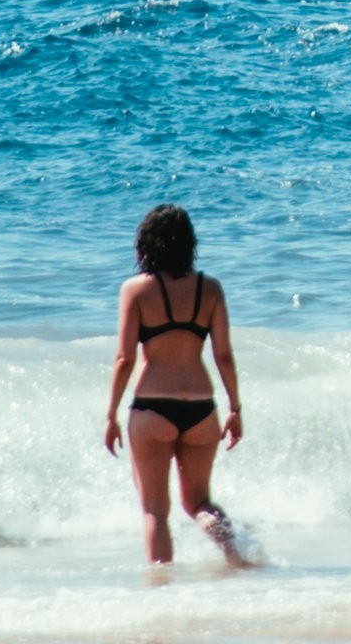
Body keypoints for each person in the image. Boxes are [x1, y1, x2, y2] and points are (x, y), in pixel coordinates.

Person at [100, 202, 250, 564]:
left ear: (146, 243)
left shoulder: (135, 290)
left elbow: (125, 358)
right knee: (199, 503)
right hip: (201, 408)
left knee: (155, 512)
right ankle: (239, 555)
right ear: (189, 244)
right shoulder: (210, 289)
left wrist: (111, 415)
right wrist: (234, 408)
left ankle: (162, 592)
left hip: (153, 407)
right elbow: (224, 355)